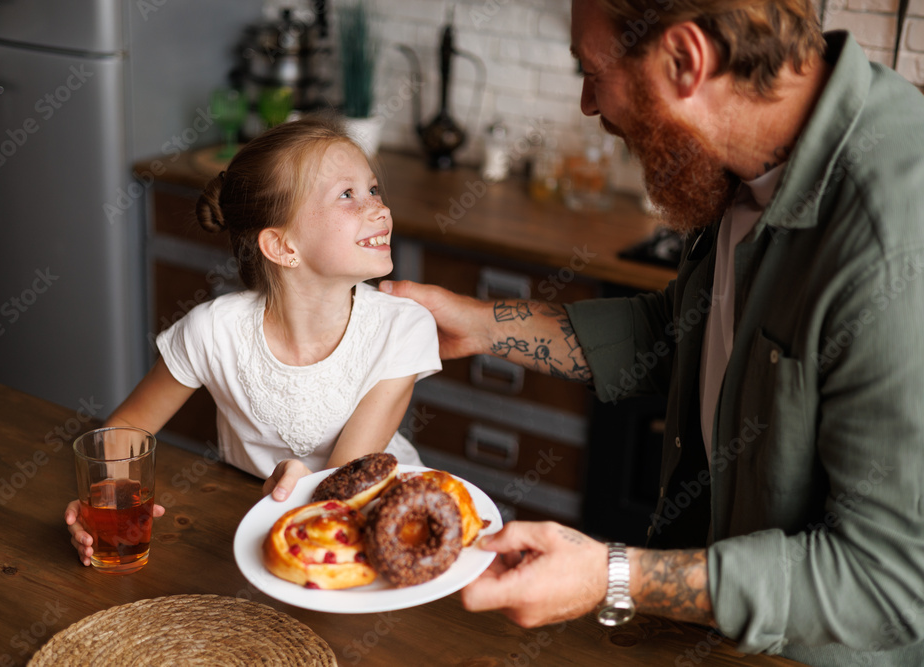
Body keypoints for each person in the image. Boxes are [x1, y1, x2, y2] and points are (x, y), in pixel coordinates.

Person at [382, 0, 924, 664]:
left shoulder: (893, 245)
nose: (587, 104)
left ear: (685, 60)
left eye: (591, 70)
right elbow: (689, 338)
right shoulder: (742, 164)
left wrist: (613, 575)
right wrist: (486, 325)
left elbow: (886, 583)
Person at [65, 115, 441, 565]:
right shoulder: (212, 331)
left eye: (374, 190)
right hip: (252, 522)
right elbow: (122, 435)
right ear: (282, 247)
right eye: (348, 195)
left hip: (381, 523)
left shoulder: (402, 329)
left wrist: (290, 482)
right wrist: (96, 500)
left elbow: (342, 490)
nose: (379, 209)